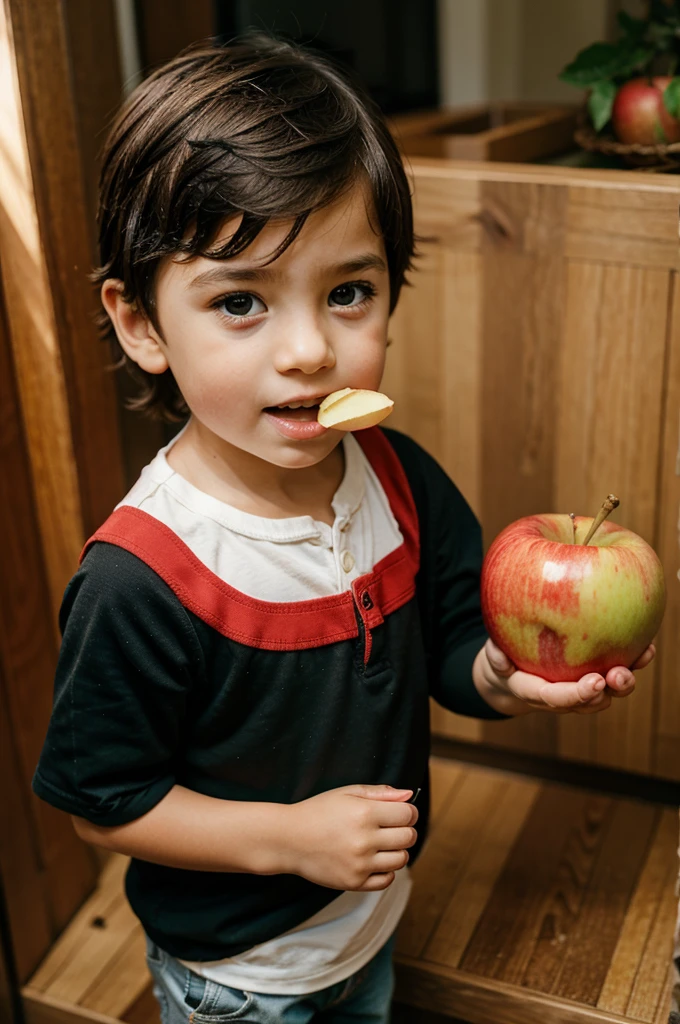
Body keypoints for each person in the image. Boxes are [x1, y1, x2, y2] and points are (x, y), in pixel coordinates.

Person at [32, 33, 653, 1024]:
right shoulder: (140, 576)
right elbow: (104, 803)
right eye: (240, 301)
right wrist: (288, 840)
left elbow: (450, 642)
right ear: (141, 323)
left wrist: (505, 675)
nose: (311, 349)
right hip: (236, 978)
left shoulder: (397, 481)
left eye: (347, 292)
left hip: (367, 926)